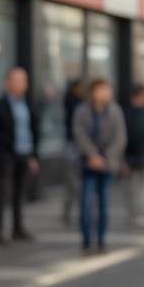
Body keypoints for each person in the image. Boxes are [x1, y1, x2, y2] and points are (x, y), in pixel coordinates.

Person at [72, 78, 126, 254]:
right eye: (102, 89)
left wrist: (106, 157)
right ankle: (86, 240)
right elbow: (78, 133)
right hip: (88, 163)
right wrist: (92, 155)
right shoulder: (82, 110)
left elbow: (120, 137)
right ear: (93, 91)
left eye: (107, 90)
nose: (105, 93)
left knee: (104, 203)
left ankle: (101, 240)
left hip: (107, 163)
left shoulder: (115, 111)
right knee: (86, 203)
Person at [0, 67, 40, 245]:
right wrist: (2, 153)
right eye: (18, 80)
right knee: (2, 194)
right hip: (7, 155)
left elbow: (35, 130)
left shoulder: (29, 103)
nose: (22, 84)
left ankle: (18, 228)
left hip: (25, 153)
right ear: (7, 83)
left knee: (19, 193)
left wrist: (33, 155)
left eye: (24, 80)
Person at [123, 84, 144, 228]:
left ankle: (137, 215)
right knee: (139, 188)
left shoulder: (128, 113)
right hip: (139, 155)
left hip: (141, 155)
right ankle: (138, 215)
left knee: (137, 188)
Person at [61, 79, 83, 225]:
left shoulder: (81, 103)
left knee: (75, 181)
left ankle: (73, 210)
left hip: (78, 145)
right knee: (73, 180)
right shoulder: (74, 104)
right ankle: (72, 209)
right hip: (72, 144)